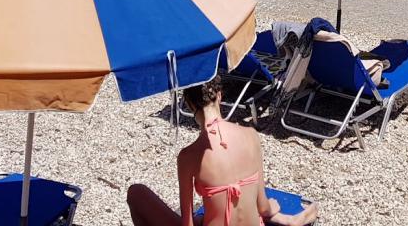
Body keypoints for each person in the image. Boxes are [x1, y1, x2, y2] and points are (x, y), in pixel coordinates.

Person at [126, 78, 318, 226]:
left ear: (189, 104)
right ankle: (288, 220)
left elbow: (187, 224)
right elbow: (262, 206)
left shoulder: (189, 156)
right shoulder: (251, 136)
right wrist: (273, 209)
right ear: (219, 95)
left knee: (136, 193)